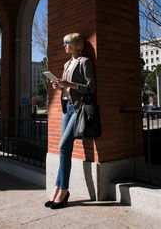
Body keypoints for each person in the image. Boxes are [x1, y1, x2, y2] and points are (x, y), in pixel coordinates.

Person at [45, 33, 95, 209]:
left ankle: (64, 190)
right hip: (66, 108)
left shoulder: (84, 62)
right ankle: (58, 188)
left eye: (66, 42)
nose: (64, 45)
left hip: (78, 109)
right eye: (63, 42)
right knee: (64, 149)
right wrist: (58, 85)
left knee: (62, 146)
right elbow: (66, 87)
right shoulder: (66, 64)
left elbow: (91, 88)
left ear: (75, 44)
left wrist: (70, 84)